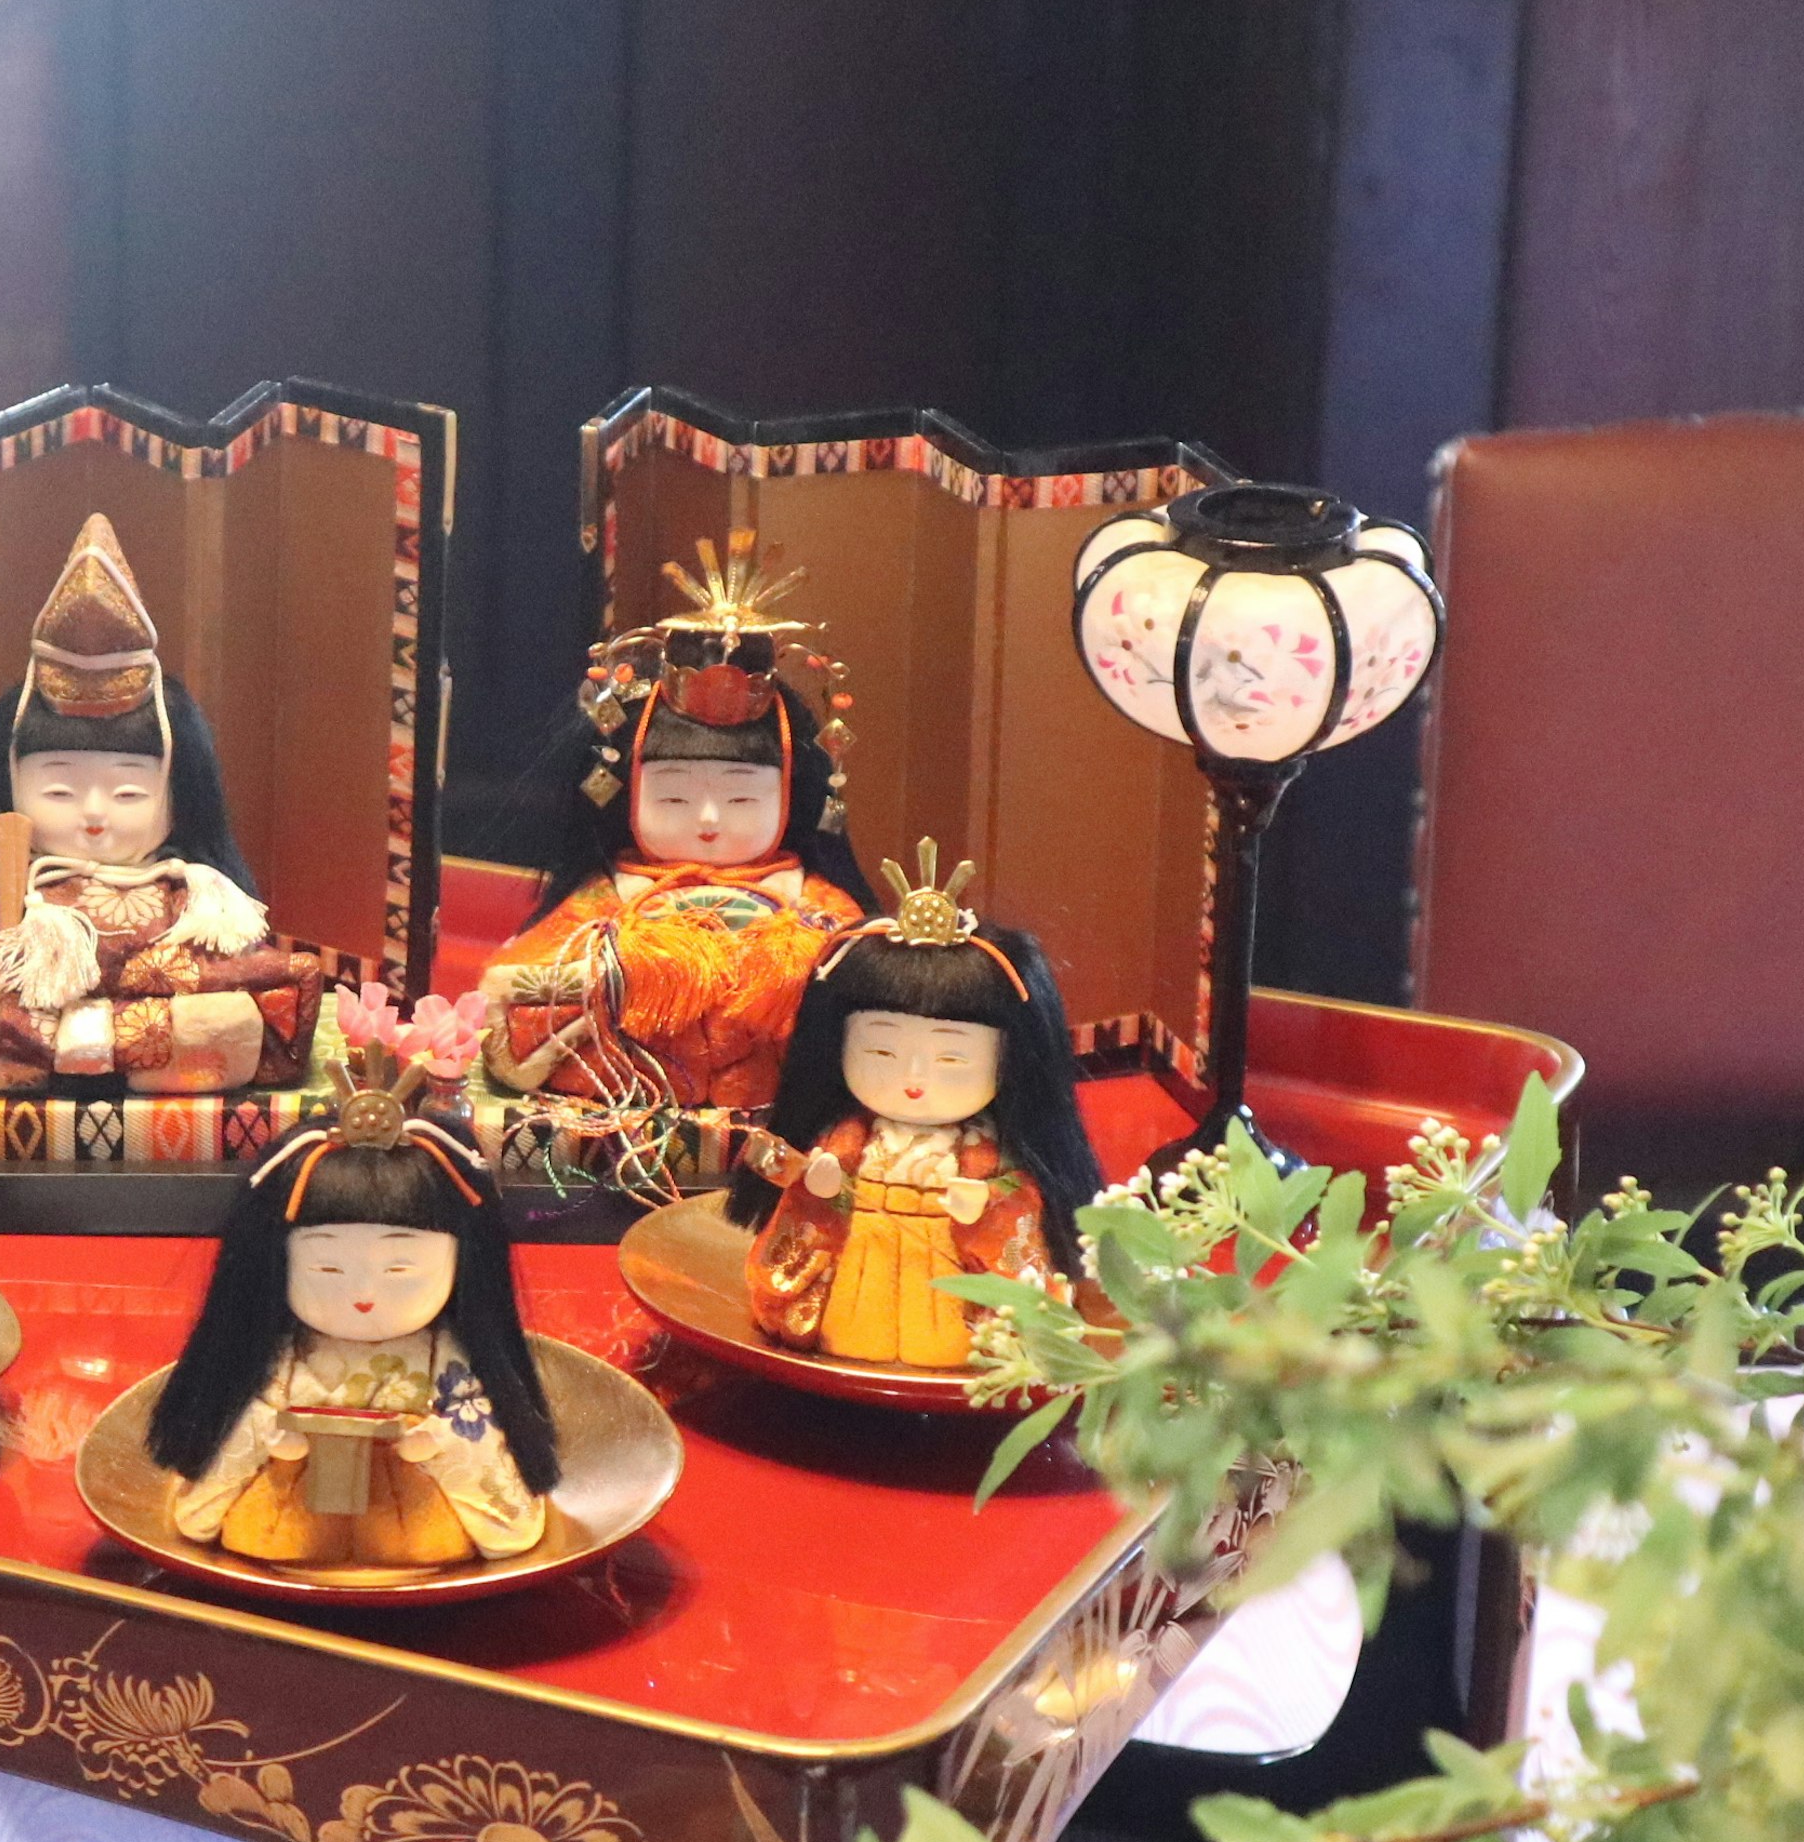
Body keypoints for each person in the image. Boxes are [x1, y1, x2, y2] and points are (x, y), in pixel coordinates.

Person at [0, 513, 326, 1095]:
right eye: (59, 791)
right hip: (47, 1038)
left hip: (135, 1040)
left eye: (129, 792)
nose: (94, 813)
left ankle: (88, 1058)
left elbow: (243, 971)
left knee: (230, 1018)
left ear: (182, 796)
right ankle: (83, 1059)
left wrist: (105, 1013)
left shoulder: (195, 894)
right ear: (9, 791)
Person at [147, 989, 558, 1568]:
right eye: (326, 1267)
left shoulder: (447, 1360)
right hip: (291, 1508)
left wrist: (435, 1445)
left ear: (461, 1262)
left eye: (401, 1268)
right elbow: (225, 1464)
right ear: (275, 1262)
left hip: (418, 1509)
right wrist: (271, 1436)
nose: (363, 1294)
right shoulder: (281, 1357)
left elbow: (486, 1475)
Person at [478, 531, 871, 1120]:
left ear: (791, 803)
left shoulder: (811, 902)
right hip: (629, 1092)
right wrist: (629, 966)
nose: (709, 821)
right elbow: (520, 988)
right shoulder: (607, 899)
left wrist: (784, 970)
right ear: (622, 796)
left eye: (741, 800)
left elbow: (868, 991)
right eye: (676, 799)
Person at [729, 845, 1099, 1370]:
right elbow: (800, 1193)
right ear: (838, 1046)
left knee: (950, 1335)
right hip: (863, 1257)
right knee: (854, 1320)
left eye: (952, 1057)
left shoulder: (987, 1155)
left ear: (1009, 1057)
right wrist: (820, 1187)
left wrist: (988, 1205)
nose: (914, 1079)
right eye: (881, 1051)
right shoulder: (848, 1137)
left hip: (949, 1269)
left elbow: (1018, 1212)